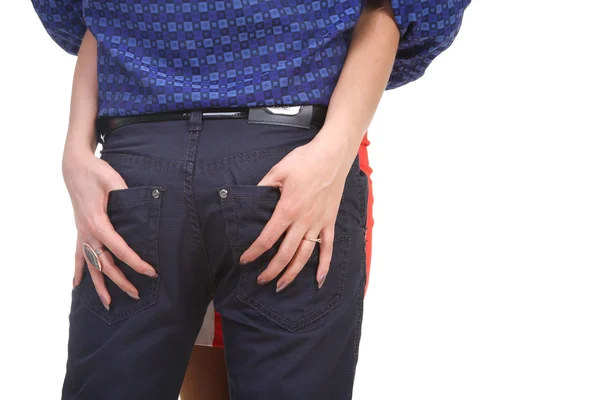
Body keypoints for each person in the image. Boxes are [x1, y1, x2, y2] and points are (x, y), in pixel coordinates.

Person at [32, 0, 470, 399]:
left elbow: (85, 16)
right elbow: (403, 7)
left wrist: (77, 146)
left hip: (145, 166)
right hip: (288, 158)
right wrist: (331, 151)